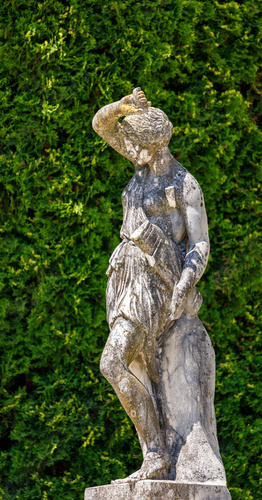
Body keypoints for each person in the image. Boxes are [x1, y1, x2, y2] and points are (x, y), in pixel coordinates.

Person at [92, 88, 210, 482]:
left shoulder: (184, 184)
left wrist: (185, 283)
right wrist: (122, 107)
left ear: (154, 146)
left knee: (112, 362)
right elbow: (101, 125)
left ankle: (157, 454)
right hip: (126, 273)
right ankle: (155, 454)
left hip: (157, 283)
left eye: (137, 144)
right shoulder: (143, 164)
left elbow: (200, 244)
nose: (130, 150)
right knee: (134, 366)